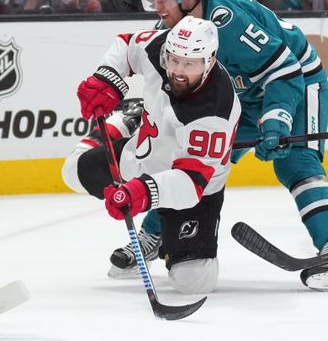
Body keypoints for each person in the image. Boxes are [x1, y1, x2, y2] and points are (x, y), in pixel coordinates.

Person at [135, 0, 328, 290]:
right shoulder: (173, 32)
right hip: (243, 94)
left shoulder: (227, 21)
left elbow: (283, 71)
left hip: (297, 81)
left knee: (297, 163)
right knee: (198, 159)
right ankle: (154, 234)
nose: (157, 5)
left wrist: (276, 121)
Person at [62, 16, 241, 294]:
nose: (179, 71)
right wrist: (105, 79)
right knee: (71, 173)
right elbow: (125, 44)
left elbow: (190, 183)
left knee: (193, 282)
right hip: (142, 156)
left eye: (190, 63)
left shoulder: (215, 109)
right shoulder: (159, 48)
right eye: (174, 60)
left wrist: (142, 192)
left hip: (194, 191)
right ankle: (118, 126)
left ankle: (162, 239)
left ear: (210, 60)